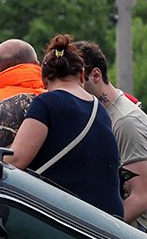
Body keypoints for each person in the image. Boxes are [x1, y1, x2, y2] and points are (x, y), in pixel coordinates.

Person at [73, 39, 147, 239]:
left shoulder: (126, 122)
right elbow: (144, 178)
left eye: (75, 81)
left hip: (130, 226)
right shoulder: (97, 113)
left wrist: (95, 233)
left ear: (95, 75)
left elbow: (141, 197)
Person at [7, 35, 123, 218]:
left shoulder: (45, 103)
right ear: (82, 75)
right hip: (110, 219)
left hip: (70, 216)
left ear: (44, 80)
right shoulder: (100, 110)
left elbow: (15, 160)